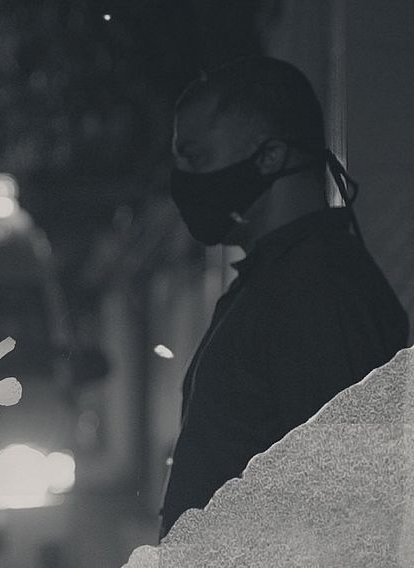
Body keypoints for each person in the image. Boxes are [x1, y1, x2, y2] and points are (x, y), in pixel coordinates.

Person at [160, 56, 409, 539]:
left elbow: (342, 511)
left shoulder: (318, 291)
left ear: (270, 157)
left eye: (196, 158)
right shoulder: (275, 282)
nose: (182, 181)